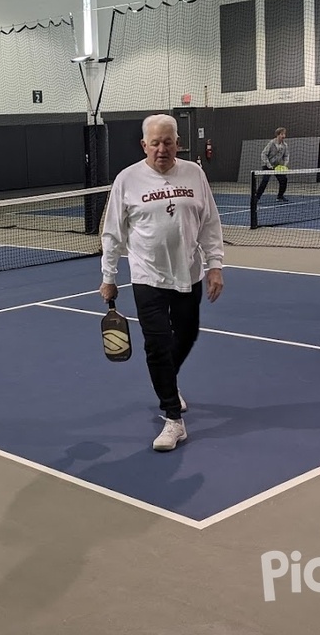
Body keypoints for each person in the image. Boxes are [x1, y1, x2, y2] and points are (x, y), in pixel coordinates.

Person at [99, 114, 226, 452]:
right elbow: (112, 233)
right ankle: (173, 418)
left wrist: (215, 266)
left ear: (177, 143)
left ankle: (169, 380)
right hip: (147, 277)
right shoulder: (127, 180)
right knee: (156, 345)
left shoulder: (194, 174)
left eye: (167, 142)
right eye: (154, 143)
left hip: (189, 273)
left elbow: (210, 223)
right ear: (144, 145)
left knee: (186, 335)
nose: (161, 149)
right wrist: (108, 277)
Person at [255, 127, 290, 203]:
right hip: (267, 165)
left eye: (284, 134)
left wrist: (284, 165)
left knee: (284, 180)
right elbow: (263, 154)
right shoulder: (271, 143)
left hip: (277, 166)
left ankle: (280, 196)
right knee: (265, 181)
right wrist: (268, 164)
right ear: (278, 135)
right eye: (282, 134)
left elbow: (286, 156)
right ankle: (256, 198)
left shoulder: (285, 145)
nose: (284, 136)